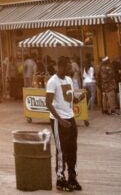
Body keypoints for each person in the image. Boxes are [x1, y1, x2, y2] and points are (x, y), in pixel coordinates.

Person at [46, 56, 80, 192]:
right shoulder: (52, 82)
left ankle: (72, 177)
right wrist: (60, 119)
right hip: (58, 120)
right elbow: (48, 103)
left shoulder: (69, 79)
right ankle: (60, 179)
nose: (70, 69)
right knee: (62, 150)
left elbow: (70, 99)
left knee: (72, 149)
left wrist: (79, 98)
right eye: (68, 67)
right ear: (60, 67)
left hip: (70, 118)